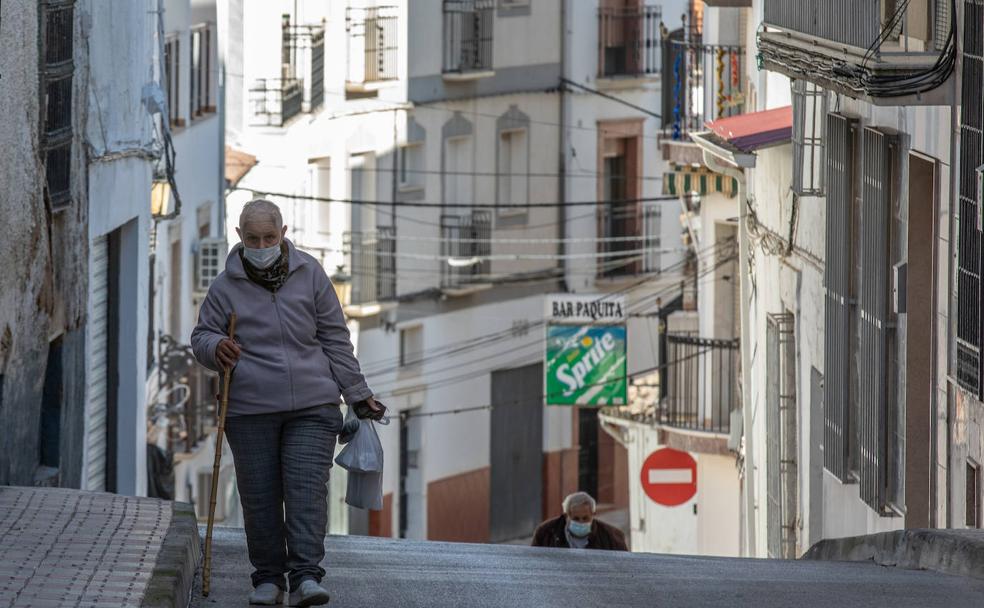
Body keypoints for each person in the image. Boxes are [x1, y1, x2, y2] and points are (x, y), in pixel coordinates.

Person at [191, 199, 382, 607]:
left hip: (314, 404)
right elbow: (202, 336)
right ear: (239, 237)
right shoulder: (225, 286)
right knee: (259, 495)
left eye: (270, 237)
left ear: (283, 233)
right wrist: (215, 347)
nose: (262, 245)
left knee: (306, 490)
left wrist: (358, 394)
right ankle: (267, 579)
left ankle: (306, 577)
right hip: (249, 407)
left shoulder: (309, 273)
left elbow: (335, 337)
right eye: (254, 238)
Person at [531, 492, 628, 551]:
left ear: (593, 515)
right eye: (576, 518)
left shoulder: (611, 536)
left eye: (585, 518)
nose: (581, 522)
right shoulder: (546, 533)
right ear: (566, 516)